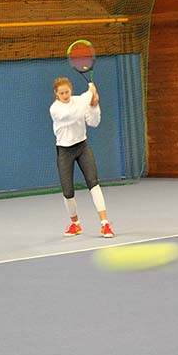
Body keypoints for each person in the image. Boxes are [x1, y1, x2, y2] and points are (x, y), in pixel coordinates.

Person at [49, 77, 114, 238]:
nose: (65, 95)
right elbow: (70, 116)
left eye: (67, 92)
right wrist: (90, 93)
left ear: (71, 90)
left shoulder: (79, 101)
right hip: (64, 151)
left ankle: (105, 224)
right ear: (56, 94)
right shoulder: (55, 109)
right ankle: (75, 224)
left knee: (93, 183)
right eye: (61, 93)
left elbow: (94, 122)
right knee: (67, 191)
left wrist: (94, 105)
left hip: (82, 147)